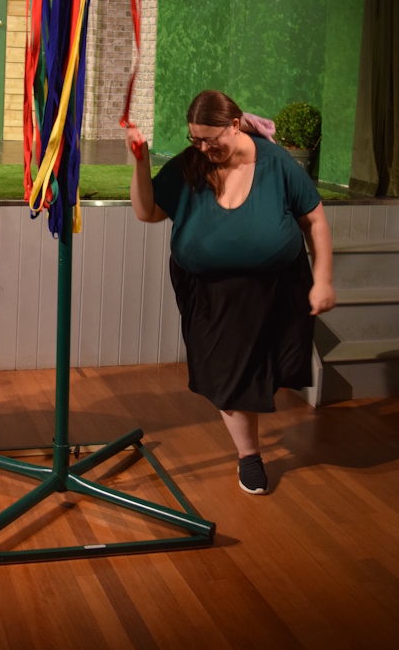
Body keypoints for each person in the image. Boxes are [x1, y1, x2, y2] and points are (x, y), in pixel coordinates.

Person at [126, 89, 335, 495]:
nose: (203, 148)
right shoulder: (191, 163)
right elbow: (146, 211)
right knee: (223, 376)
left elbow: (315, 220)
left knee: (257, 373)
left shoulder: (276, 163)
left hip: (276, 289)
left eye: (211, 139)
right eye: (195, 139)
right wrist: (140, 161)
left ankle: (248, 448)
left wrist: (324, 279)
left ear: (235, 125)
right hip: (208, 293)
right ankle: (249, 455)